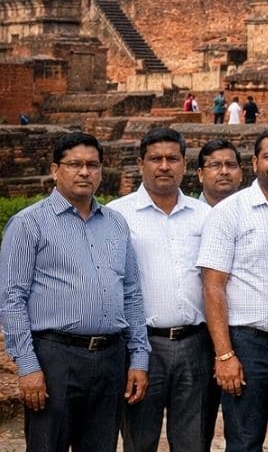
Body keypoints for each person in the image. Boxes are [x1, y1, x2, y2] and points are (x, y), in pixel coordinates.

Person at [1, 132, 151, 452]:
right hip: (55, 356)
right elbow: (12, 299)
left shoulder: (115, 223)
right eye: (75, 164)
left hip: (111, 358)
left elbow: (131, 294)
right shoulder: (29, 224)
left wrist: (138, 357)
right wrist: (27, 366)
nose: (85, 172)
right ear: (56, 170)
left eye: (92, 165)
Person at [197, 127, 268, 452]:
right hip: (249, 345)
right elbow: (213, 287)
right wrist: (225, 355)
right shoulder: (229, 212)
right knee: (245, 441)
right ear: (255, 161)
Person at [107, 128, 214, 452]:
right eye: (156, 158)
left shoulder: (205, 216)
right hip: (141, 347)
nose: (164, 166)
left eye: (172, 158)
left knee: (193, 440)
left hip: (195, 344)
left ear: (184, 164)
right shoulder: (117, 215)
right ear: (141, 163)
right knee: (140, 439)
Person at [197, 138, 244, 207]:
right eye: (215, 165)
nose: (224, 171)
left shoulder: (254, 215)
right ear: (201, 174)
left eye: (231, 165)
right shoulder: (187, 216)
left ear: (241, 173)